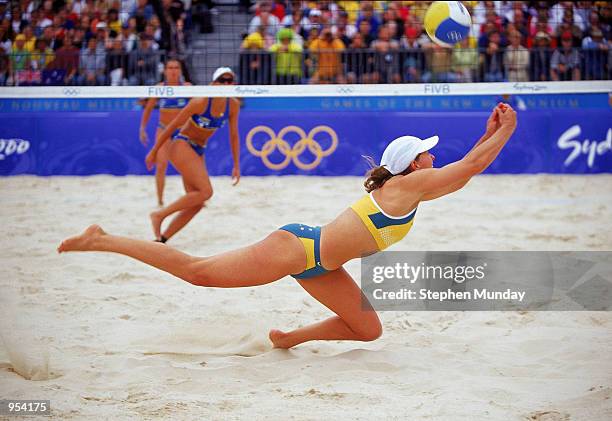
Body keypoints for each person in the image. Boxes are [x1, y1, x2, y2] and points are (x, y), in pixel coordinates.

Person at [58, 104, 518, 349]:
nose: (434, 156)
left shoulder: (414, 189)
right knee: (197, 272)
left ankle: (287, 339)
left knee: (369, 331)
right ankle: (103, 238)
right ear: (413, 164)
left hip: (320, 264)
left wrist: (488, 130)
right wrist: (506, 129)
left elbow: (464, 173)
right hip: (296, 248)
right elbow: (471, 166)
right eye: (427, 152)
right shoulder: (405, 189)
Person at [143, 67, 241, 243]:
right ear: (213, 83)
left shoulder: (233, 105)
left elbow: (234, 136)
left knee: (197, 203)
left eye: (229, 81)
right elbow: (172, 126)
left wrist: (237, 165)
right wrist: (154, 150)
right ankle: (159, 215)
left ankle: (162, 239)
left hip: (199, 149)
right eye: (222, 80)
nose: (226, 84)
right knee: (206, 191)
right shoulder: (200, 102)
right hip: (182, 144)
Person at [139, 59, 192, 206]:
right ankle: (160, 201)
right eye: (170, 68)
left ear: (180, 71)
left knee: (187, 167)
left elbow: (199, 107)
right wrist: (142, 128)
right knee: (161, 165)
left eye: (176, 67)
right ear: (165, 71)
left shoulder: (188, 87)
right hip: (164, 130)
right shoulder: (160, 87)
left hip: (182, 131)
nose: (173, 70)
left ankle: (193, 197)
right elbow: (148, 108)